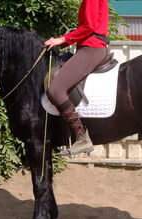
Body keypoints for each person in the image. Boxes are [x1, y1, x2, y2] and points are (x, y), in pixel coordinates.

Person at [44, 0, 109, 156]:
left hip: (92, 47)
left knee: (55, 90)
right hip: (89, 46)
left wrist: (61, 39)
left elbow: (89, 27)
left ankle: (82, 137)